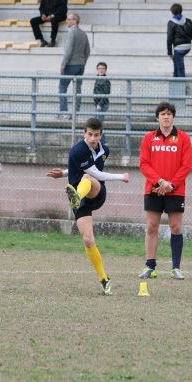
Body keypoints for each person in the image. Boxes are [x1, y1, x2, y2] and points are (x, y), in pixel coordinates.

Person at [47, 117, 130, 295]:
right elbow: (83, 168)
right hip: (80, 198)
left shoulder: (104, 150)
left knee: (87, 178)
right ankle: (104, 279)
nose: (93, 138)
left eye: (96, 135)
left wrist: (118, 178)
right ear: (84, 133)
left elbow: (95, 173)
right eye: (90, 134)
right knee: (87, 239)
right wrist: (63, 173)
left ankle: (77, 195)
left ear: (101, 135)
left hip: (96, 193)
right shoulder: (77, 151)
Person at [138, 102, 192, 281]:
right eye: (163, 114)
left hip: (175, 190)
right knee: (151, 226)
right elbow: (144, 164)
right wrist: (160, 181)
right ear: (157, 117)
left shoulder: (183, 138)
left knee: (176, 227)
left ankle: (176, 268)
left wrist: (171, 185)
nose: (166, 116)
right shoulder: (148, 138)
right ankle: (150, 266)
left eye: (169, 114)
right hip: (154, 189)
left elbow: (186, 165)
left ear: (173, 117)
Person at [58, 12, 90, 118]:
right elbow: (88, 51)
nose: (67, 21)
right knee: (77, 90)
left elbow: (68, 50)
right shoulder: (83, 34)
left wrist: (63, 65)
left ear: (74, 21)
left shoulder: (72, 32)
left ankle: (64, 113)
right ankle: (75, 113)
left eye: (69, 19)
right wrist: (83, 62)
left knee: (62, 88)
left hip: (70, 65)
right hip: (80, 65)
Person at [167, 3, 192, 78]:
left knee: (180, 67)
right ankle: (175, 81)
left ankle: (181, 85)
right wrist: (187, 40)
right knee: (177, 63)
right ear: (181, 10)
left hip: (179, 48)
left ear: (172, 12)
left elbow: (169, 39)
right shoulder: (188, 20)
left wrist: (170, 52)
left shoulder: (171, 23)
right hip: (188, 46)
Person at [93, 61, 111, 127]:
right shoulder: (97, 78)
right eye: (99, 68)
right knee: (97, 123)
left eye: (103, 68)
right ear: (97, 70)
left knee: (98, 123)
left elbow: (106, 93)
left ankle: (102, 137)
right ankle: (100, 137)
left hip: (102, 104)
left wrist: (100, 104)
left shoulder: (106, 80)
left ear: (105, 70)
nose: (101, 70)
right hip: (97, 104)